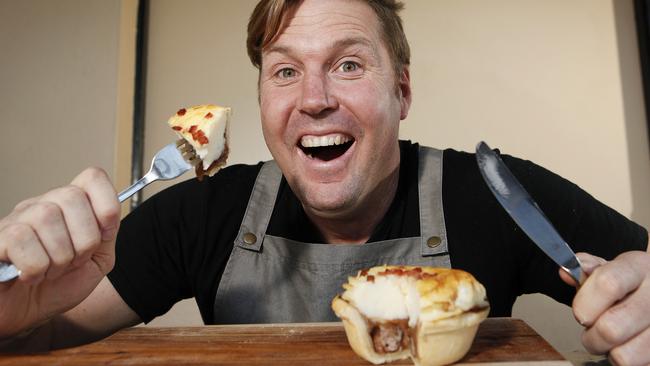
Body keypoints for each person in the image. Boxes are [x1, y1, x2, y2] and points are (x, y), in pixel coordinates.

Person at [1, 0, 649, 363]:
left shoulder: (492, 190)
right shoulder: (199, 213)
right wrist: (14, 314)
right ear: (262, 100)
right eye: (284, 71)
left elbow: (640, 279)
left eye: (346, 64)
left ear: (401, 91)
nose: (312, 99)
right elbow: (40, 338)